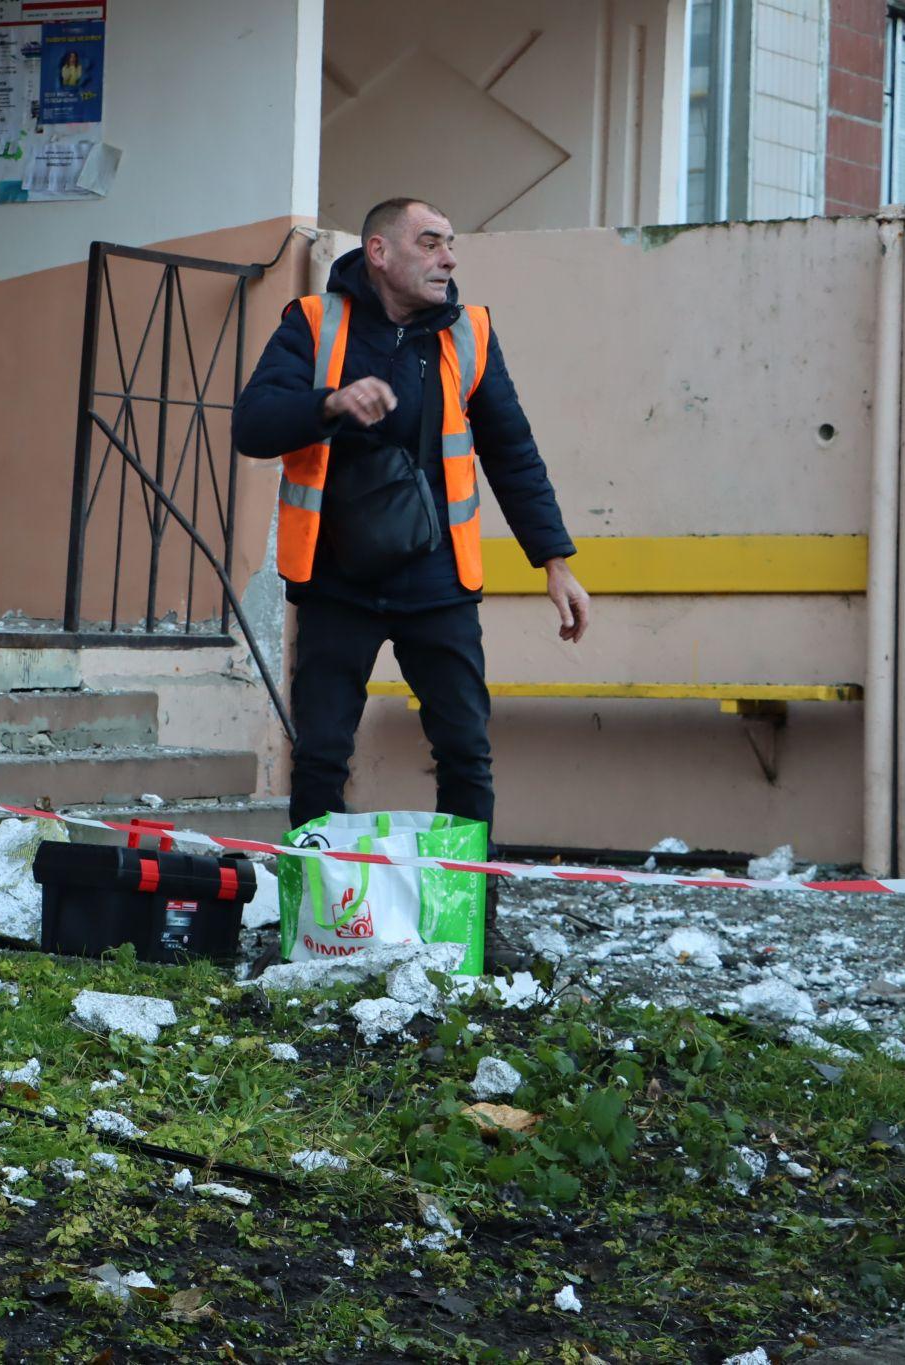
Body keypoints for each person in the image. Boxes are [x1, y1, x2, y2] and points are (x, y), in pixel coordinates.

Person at [233, 197, 591, 963]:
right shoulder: (313, 323)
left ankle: (465, 926)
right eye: (431, 243)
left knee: (465, 751)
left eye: (452, 245)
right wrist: (329, 402)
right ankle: (313, 927)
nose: (449, 258)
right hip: (336, 582)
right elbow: (252, 425)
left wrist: (555, 563)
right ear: (380, 252)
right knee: (322, 753)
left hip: (439, 582)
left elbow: (512, 451)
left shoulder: (470, 333)